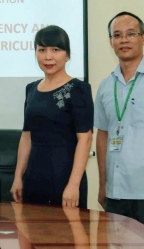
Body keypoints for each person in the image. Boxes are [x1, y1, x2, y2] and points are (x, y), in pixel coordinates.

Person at [95, 11, 144, 238]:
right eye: (117, 35)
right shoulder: (105, 86)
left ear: (143, 38)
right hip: (116, 194)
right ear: (111, 42)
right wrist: (103, 185)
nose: (124, 40)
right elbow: (102, 135)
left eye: (131, 34)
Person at [10, 25, 93, 208]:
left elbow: (85, 139)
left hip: (65, 177)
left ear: (67, 55)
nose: (48, 56)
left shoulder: (78, 89)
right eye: (42, 50)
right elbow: (26, 137)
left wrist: (73, 185)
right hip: (34, 178)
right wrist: (18, 177)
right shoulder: (31, 89)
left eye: (55, 50)